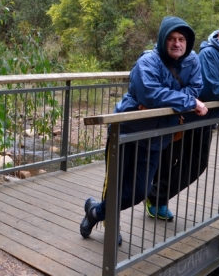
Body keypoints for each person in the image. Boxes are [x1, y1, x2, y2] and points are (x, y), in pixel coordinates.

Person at [80, 16, 208, 244]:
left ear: (187, 42)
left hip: (157, 138)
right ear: (162, 39)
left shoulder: (192, 62)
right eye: (171, 38)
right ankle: (111, 224)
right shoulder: (148, 61)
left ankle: (96, 211)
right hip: (126, 131)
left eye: (181, 39)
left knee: (140, 191)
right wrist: (185, 102)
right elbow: (149, 93)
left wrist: (168, 102)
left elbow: (196, 88)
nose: (177, 43)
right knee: (116, 184)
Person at [145, 16, 219, 219]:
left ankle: (153, 195)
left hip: (207, 117)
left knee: (196, 164)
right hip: (187, 113)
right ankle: (157, 201)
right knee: (169, 159)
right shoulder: (209, 54)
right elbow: (210, 87)